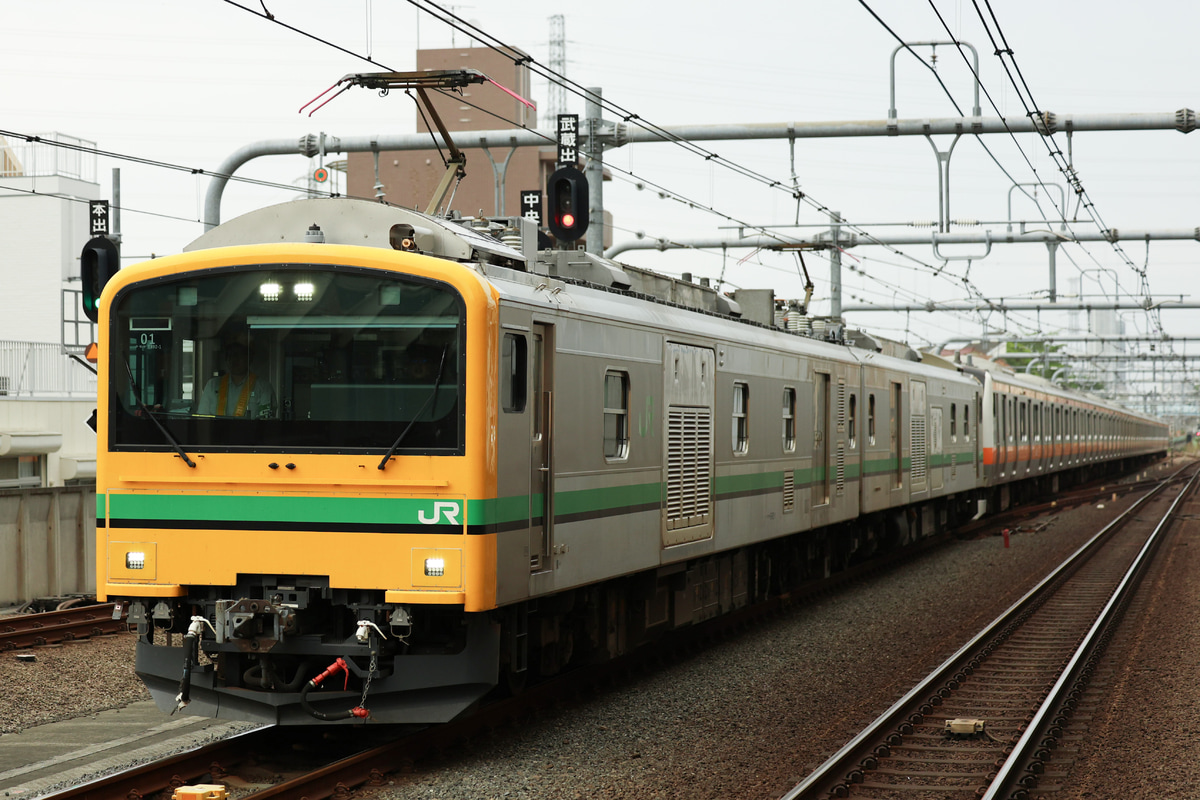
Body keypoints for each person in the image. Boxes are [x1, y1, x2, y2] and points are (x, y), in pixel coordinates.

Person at [197, 333, 275, 418]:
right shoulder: (212, 385)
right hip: (217, 431)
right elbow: (202, 419)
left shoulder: (263, 387)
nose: (234, 359)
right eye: (231, 355)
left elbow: (266, 423)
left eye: (239, 355)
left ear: (249, 358)